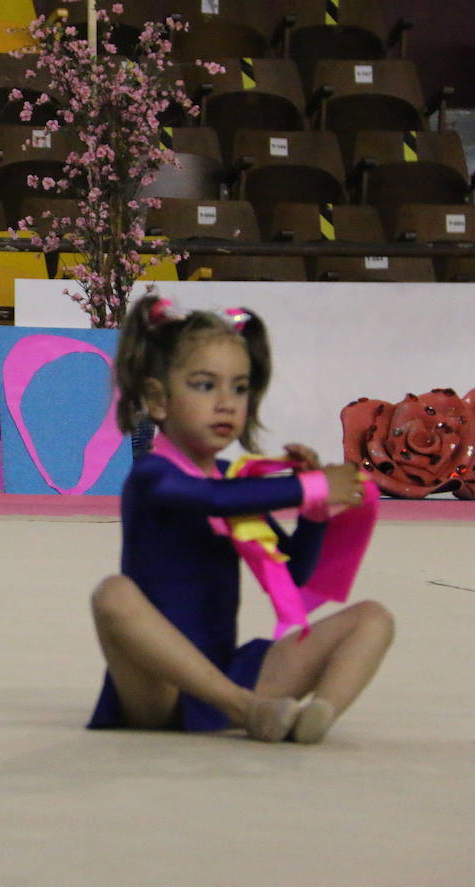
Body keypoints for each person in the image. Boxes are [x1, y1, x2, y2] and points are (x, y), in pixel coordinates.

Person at [88, 296, 394, 743]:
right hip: (157, 686)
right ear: (157, 399)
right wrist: (307, 487)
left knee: (373, 619)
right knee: (112, 595)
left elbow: (293, 572)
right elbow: (204, 497)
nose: (227, 404)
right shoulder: (152, 475)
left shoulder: (234, 483)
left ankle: (316, 717)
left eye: (239, 387)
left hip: (225, 671)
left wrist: (314, 514)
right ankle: (248, 710)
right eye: (204, 385)